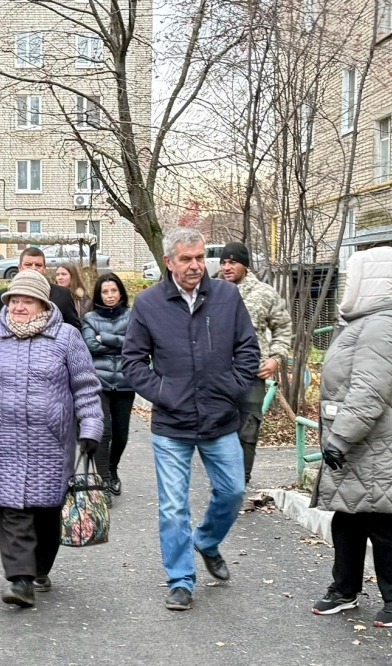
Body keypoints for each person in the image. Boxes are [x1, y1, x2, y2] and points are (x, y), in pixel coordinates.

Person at [122, 227, 260, 612]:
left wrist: (231, 388)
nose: (196, 265)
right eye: (186, 259)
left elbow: (248, 348)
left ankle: (207, 541)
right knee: (172, 506)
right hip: (172, 426)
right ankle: (180, 579)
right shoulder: (148, 304)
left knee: (232, 491)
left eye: (200, 257)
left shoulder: (228, 297)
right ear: (169, 262)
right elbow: (133, 363)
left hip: (220, 419)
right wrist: (165, 394)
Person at [0, 271, 103, 608]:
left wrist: (90, 429)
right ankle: (20, 580)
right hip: (2, 441)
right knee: (12, 511)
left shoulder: (67, 338)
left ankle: (39, 568)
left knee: (47, 514)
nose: (19, 306)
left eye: (27, 301)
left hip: (50, 443)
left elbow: (85, 387)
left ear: (43, 304)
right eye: (14, 300)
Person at [310, 246, 392, 628]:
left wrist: (340, 439)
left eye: (354, 273)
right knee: (348, 517)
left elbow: (368, 391)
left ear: (371, 279)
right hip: (367, 439)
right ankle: (345, 590)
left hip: (382, 440)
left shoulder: (381, 326)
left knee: (383, 520)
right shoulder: (367, 322)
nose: (348, 281)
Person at [219, 242, 292, 488]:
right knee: (219, 427)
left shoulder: (264, 293)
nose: (227, 268)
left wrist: (275, 358)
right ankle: (223, 479)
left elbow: (283, 327)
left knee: (248, 427)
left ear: (245, 265)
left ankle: (241, 480)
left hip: (251, 372)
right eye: (223, 263)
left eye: (232, 263)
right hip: (217, 373)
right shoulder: (211, 292)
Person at [81, 274, 135, 504]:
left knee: (121, 435)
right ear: (99, 295)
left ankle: (112, 469)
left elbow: (136, 342)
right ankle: (102, 482)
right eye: (105, 292)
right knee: (104, 432)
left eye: (114, 291)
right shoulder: (90, 317)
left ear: (121, 292)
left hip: (126, 381)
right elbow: (90, 345)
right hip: (99, 382)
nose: (110, 296)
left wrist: (106, 338)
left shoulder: (133, 315)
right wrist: (117, 341)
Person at [0, 247, 81, 329]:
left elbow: (74, 329)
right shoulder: (4, 295)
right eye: (28, 265)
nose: (33, 268)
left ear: (45, 269)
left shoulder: (62, 294)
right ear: (20, 268)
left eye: (38, 265)